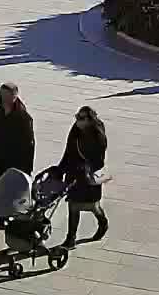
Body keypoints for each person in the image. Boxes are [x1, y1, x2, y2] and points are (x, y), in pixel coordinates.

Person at [0, 83, 35, 232]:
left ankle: (16, 223)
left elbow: (29, 144)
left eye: (7, 95)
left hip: (15, 163)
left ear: (15, 96)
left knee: (14, 194)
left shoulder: (23, 117)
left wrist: (26, 168)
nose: (4, 98)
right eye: (2, 95)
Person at [59, 106, 109, 248]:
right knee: (73, 205)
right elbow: (68, 150)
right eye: (77, 117)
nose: (77, 121)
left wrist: (87, 168)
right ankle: (71, 238)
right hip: (74, 172)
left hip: (89, 175)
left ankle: (103, 222)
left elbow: (99, 159)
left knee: (92, 205)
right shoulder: (75, 129)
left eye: (81, 118)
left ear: (89, 120)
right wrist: (61, 169)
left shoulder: (98, 133)